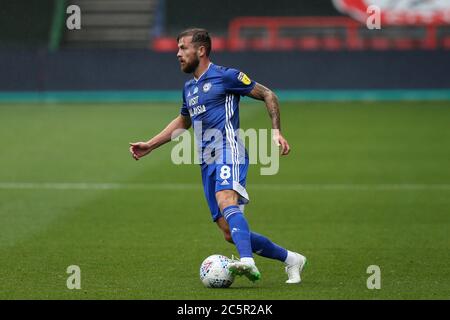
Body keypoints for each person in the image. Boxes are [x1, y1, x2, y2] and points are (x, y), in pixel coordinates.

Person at [129, 28, 306, 284]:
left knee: (226, 199)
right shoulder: (189, 88)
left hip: (228, 150)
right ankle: (291, 259)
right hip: (205, 160)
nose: (178, 54)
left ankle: (246, 261)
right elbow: (183, 120)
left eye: (183, 48)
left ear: (200, 50)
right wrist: (151, 144)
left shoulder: (226, 76)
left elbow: (268, 94)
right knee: (228, 232)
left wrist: (276, 132)